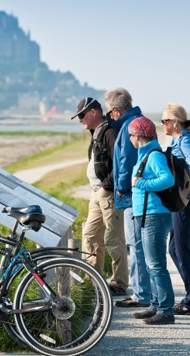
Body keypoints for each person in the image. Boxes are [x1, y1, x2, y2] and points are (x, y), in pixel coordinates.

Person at [72, 97, 129, 295]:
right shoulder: (96, 132)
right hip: (97, 193)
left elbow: (120, 163)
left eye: (81, 115)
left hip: (108, 193)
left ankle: (119, 283)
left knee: (114, 239)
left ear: (93, 112)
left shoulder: (110, 131)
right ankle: (93, 281)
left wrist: (107, 186)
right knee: (90, 235)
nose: (80, 120)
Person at [104, 88, 151, 307]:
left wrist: (121, 187)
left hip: (133, 193)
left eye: (109, 112)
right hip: (140, 192)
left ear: (116, 110)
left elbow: (127, 161)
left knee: (136, 244)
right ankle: (143, 292)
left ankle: (141, 294)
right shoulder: (139, 122)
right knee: (139, 244)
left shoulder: (129, 127)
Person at [128, 116, 176, 325]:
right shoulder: (145, 154)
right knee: (150, 264)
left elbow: (168, 179)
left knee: (156, 265)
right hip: (147, 214)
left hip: (155, 215)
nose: (130, 138)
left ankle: (166, 310)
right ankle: (156, 305)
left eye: (131, 135)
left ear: (137, 136)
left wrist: (142, 183)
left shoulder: (154, 155)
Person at [161, 103, 190, 315]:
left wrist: (179, 182)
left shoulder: (185, 140)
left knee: (182, 250)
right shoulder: (177, 140)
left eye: (164, 121)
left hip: (186, 202)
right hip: (180, 202)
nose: (162, 124)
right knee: (173, 249)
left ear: (174, 122)